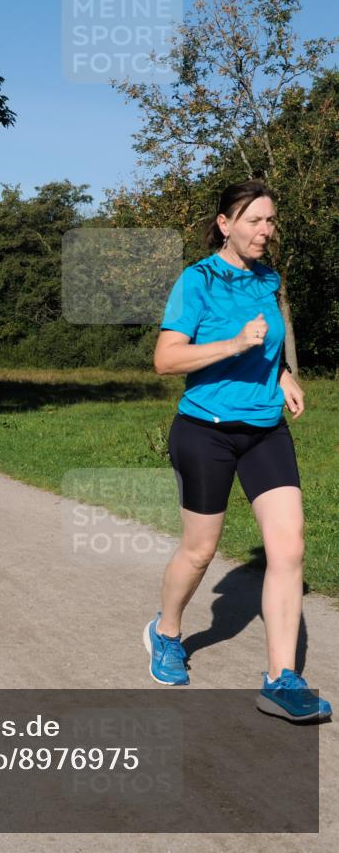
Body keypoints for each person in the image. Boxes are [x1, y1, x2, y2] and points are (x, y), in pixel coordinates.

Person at [145, 179, 332, 723]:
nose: (265, 230)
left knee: (289, 548)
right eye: (255, 220)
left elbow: (268, 343)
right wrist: (234, 345)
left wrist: (284, 373)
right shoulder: (196, 279)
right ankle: (167, 631)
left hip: (264, 430)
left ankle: (280, 678)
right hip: (205, 429)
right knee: (201, 549)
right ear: (226, 224)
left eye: (271, 220)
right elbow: (166, 360)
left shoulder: (267, 279)